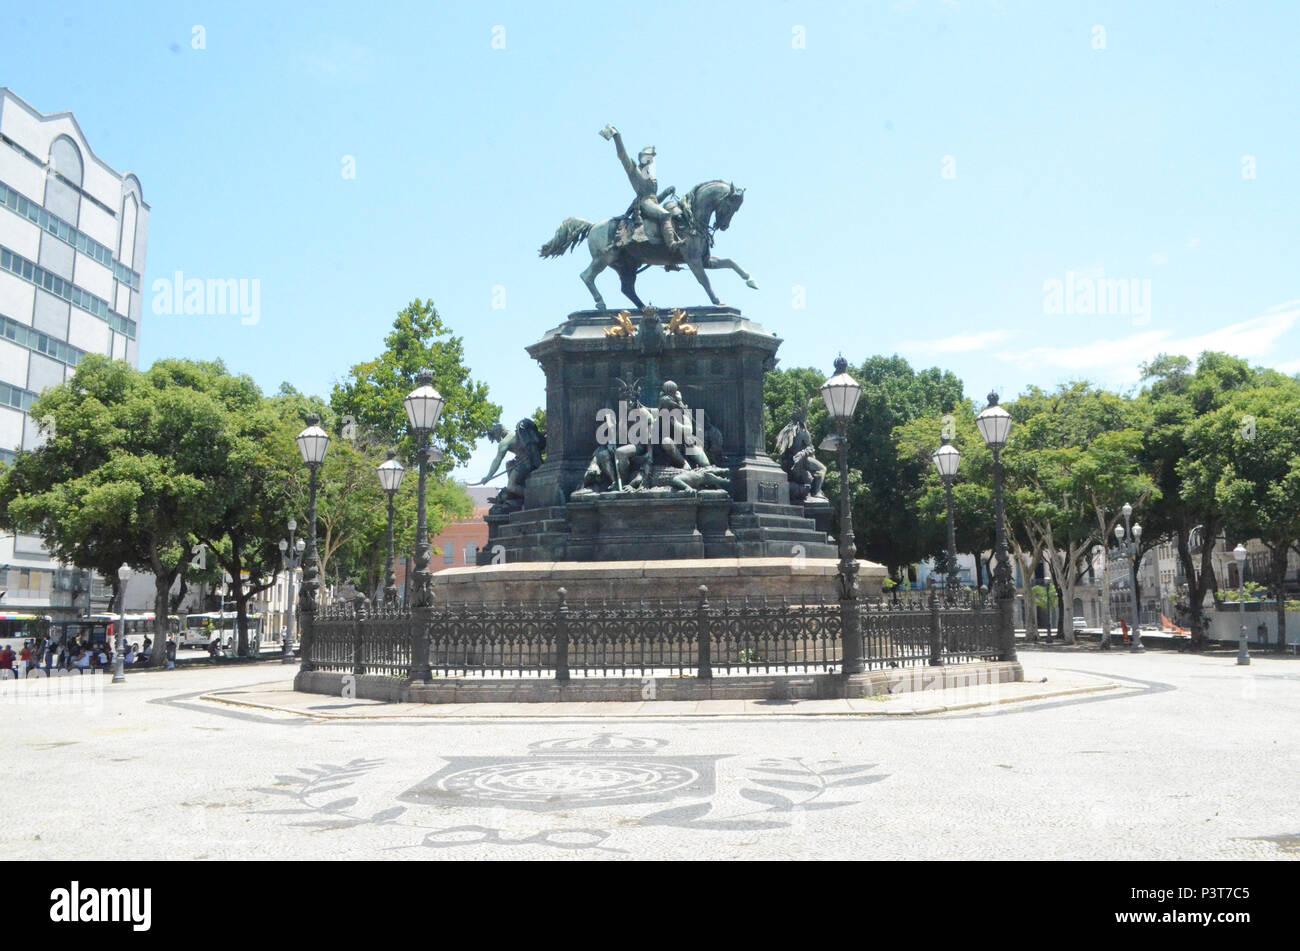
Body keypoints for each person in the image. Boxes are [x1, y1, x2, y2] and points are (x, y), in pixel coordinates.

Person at [601, 124, 685, 255]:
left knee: (674, 214)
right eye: (648, 157)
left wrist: (666, 192)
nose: (650, 159)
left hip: (652, 202)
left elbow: (655, 199)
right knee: (665, 215)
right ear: (641, 157)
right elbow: (622, 155)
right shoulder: (634, 170)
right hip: (644, 203)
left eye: (651, 157)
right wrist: (617, 137)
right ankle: (672, 245)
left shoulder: (651, 177)